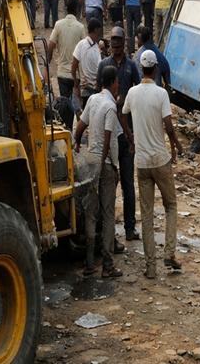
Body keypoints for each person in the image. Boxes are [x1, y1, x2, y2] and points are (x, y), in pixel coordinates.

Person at [122, 50, 182, 279]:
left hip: (142, 163)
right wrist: (176, 146)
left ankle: (150, 267)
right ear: (155, 69)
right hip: (160, 159)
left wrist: (130, 137)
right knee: (171, 206)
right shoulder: (161, 94)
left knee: (146, 215)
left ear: (141, 69)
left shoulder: (132, 93)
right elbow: (168, 124)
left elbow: (123, 112)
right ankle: (169, 252)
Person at [73, 64, 123, 278]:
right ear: (112, 83)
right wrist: (108, 166)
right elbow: (108, 138)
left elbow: (81, 125)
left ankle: (90, 263)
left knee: (91, 212)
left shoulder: (92, 100)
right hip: (105, 163)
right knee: (108, 213)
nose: (118, 85)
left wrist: (76, 142)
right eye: (117, 82)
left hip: (89, 161)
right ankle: (108, 266)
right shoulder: (111, 107)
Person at [97, 27, 140, 241]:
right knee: (110, 185)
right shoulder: (104, 65)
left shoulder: (132, 66)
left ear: (124, 42)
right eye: (112, 41)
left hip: (127, 133)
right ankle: (110, 232)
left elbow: (139, 94)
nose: (115, 45)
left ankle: (130, 228)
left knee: (128, 184)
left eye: (118, 41)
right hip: (110, 132)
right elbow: (99, 95)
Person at [48, 0, 86, 100]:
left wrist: (48, 62)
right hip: (76, 76)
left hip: (62, 73)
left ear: (66, 9)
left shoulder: (58, 25)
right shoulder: (81, 27)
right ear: (77, 10)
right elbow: (85, 49)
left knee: (65, 105)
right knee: (76, 106)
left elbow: (51, 45)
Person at [72, 17, 103, 107]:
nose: (100, 34)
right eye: (99, 31)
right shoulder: (82, 44)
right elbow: (74, 66)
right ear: (96, 30)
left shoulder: (96, 46)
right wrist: (76, 84)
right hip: (86, 89)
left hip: (96, 89)